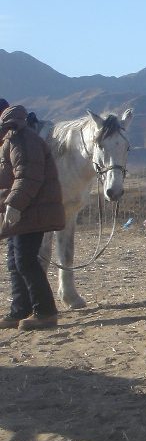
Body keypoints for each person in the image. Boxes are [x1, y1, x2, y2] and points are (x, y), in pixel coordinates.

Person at [0, 104, 65, 329]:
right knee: (14, 262)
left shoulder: (22, 140)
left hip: (30, 211)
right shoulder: (12, 139)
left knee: (25, 261)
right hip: (23, 211)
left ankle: (46, 312)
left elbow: (28, 175)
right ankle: (20, 310)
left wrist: (14, 204)